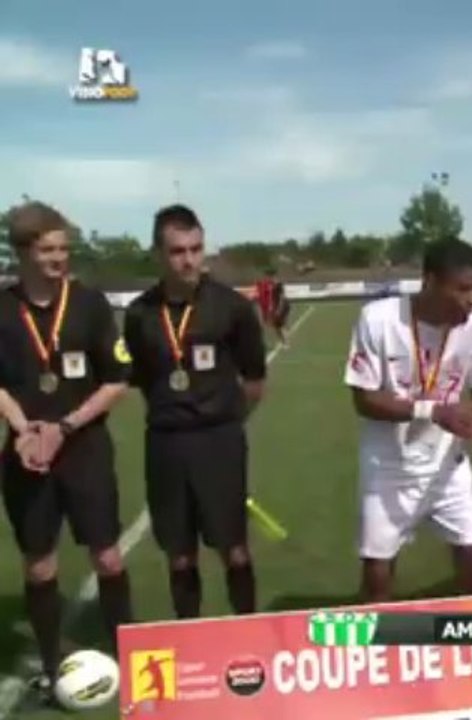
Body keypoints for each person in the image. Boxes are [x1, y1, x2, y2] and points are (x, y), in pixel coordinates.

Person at [0, 201, 133, 702]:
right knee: (40, 564)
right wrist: (22, 428)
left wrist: (65, 425)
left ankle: (129, 651)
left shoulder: (90, 304)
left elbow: (118, 379)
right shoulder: (2, 308)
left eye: (64, 248)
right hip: (27, 453)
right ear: (23, 253)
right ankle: (54, 663)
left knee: (108, 556)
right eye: (48, 249)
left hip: (84, 450)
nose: (59, 258)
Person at [123, 205, 267, 618]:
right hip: (166, 444)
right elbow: (143, 381)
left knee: (234, 549)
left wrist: (225, 421)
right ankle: (189, 639)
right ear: (158, 253)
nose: (189, 260)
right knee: (179, 554)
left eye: (196, 248)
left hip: (220, 440)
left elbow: (254, 381)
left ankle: (248, 630)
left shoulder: (231, 307)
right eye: (177, 251)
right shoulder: (138, 314)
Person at [344, 237, 472, 601]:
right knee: (378, 572)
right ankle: (376, 645)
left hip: (447, 464)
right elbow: (364, 399)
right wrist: (433, 410)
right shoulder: (378, 320)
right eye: (461, 289)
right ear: (429, 281)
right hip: (387, 466)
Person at [255, 268, 290, 347]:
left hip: (283, 306)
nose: (266, 278)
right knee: (276, 326)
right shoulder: (271, 285)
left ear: (272, 276)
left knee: (280, 325)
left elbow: (282, 298)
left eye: (268, 276)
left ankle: (286, 343)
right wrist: (271, 307)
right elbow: (271, 297)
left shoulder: (279, 285)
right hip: (276, 306)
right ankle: (284, 341)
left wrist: (279, 309)